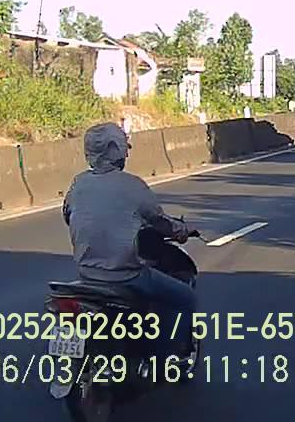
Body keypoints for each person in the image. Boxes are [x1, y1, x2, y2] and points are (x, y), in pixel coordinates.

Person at [63, 122, 198, 352]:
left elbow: (68, 214)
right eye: (124, 147)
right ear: (115, 149)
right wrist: (182, 231)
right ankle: (165, 360)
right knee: (186, 297)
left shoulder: (78, 183)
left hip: (86, 274)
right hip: (126, 276)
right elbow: (160, 222)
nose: (127, 153)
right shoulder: (134, 186)